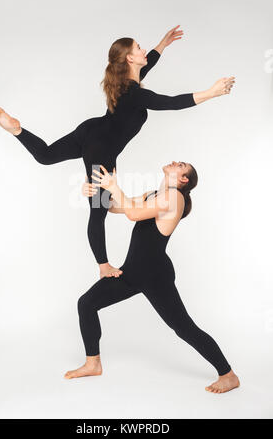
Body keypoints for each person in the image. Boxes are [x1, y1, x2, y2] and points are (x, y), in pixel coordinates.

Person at [0, 26, 235, 279]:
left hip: (91, 131)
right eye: (139, 48)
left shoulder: (126, 84)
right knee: (99, 210)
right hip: (101, 149)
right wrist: (212, 93)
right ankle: (103, 266)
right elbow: (170, 102)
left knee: (46, 155)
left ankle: (16, 130)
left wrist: (162, 45)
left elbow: (146, 67)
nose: (143, 50)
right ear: (129, 58)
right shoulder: (134, 93)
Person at [64, 163, 240, 394]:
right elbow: (117, 207)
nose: (176, 162)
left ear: (184, 179)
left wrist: (113, 186)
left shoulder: (176, 198)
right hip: (132, 273)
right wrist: (95, 194)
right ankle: (93, 363)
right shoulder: (154, 194)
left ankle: (228, 375)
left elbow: (133, 214)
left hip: (155, 275)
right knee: (86, 303)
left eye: (181, 165)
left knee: (184, 328)